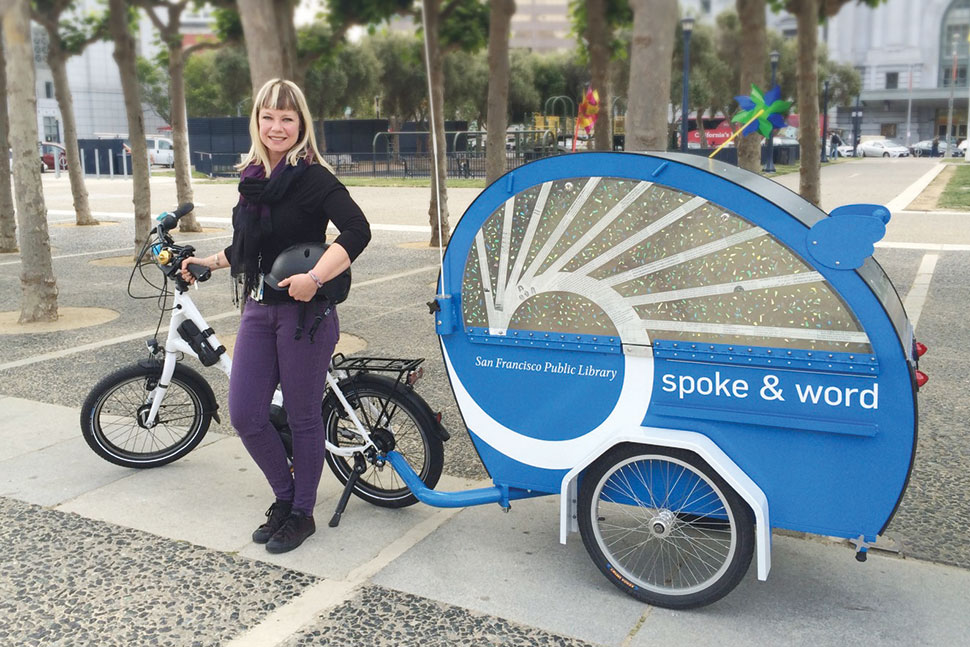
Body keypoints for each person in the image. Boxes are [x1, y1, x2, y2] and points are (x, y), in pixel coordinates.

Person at [180, 79, 371, 553]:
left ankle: (302, 512)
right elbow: (250, 250)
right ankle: (285, 499)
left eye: (287, 118)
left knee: (304, 417)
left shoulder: (313, 177)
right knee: (246, 414)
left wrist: (318, 278)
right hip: (259, 310)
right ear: (257, 122)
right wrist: (207, 262)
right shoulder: (252, 179)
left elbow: (357, 230)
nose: (277, 127)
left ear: (301, 123)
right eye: (269, 117)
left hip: (306, 316)